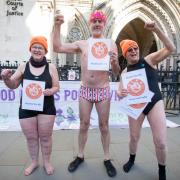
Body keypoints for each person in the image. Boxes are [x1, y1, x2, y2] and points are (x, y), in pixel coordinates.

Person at [53, 10, 120, 177]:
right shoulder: (83, 44)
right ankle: (80, 156)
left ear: (104, 24)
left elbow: (117, 72)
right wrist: (57, 25)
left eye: (100, 21)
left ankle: (107, 158)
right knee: (83, 124)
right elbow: (57, 47)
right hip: (85, 90)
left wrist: (114, 62)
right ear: (90, 25)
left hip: (103, 90)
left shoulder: (111, 44)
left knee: (104, 126)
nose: (97, 24)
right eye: (94, 21)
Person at [117, 21, 176, 180]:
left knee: (161, 142)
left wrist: (157, 29)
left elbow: (171, 49)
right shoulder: (124, 72)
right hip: (136, 106)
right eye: (130, 49)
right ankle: (131, 159)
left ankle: (162, 170)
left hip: (154, 102)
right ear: (125, 54)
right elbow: (120, 92)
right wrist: (120, 92)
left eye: (135, 48)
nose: (134, 51)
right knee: (134, 137)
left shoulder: (148, 60)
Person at [1, 36, 59, 176]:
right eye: (35, 47)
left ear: (45, 51)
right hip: (27, 108)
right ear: (30, 49)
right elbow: (13, 85)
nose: (37, 50)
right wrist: (6, 78)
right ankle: (34, 161)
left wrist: (51, 91)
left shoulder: (51, 67)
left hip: (46, 108)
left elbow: (57, 86)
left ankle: (46, 161)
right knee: (31, 138)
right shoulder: (23, 66)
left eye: (41, 47)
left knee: (45, 137)